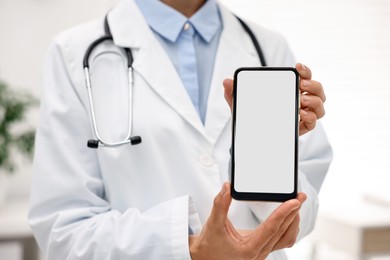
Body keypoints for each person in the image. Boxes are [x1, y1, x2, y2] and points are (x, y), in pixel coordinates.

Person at [28, 0, 332, 259]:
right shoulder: (72, 53)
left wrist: (268, 156)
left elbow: (307, 209)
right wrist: (190, 248)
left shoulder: (269, 46)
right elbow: (64, 230)